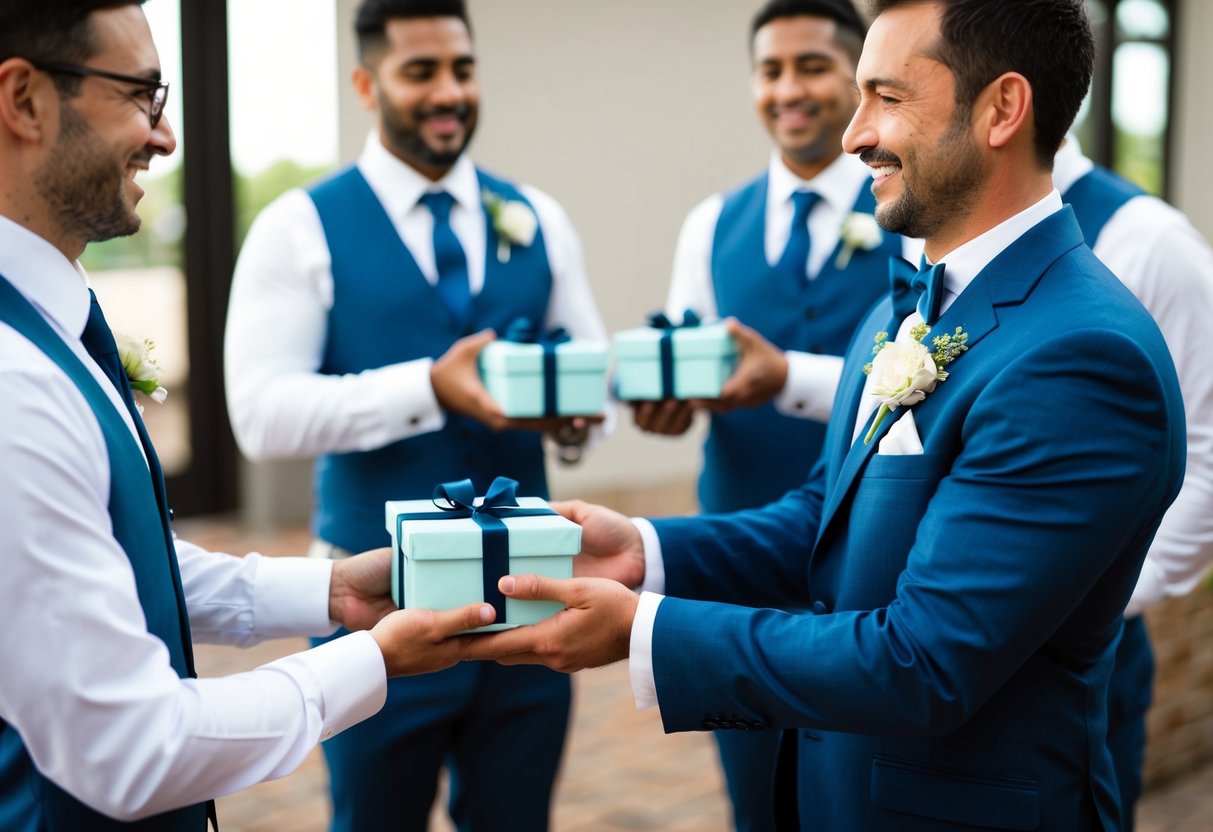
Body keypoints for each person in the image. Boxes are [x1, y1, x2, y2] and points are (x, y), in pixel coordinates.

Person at [464, 1, 1188, 829]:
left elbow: (924, 662)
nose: (852, 136)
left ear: (1002, 108)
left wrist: (646, 632)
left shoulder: (1080, 358)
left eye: (886, 97)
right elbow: (825, 520)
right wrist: (645, 551)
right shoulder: (906, 309)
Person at [0, 2, 498, 829]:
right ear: (23, 102)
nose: (164, 137)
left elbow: (101, 559)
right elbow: (134, 750)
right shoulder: (15, 386)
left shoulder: (50, 320)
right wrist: (370, 661)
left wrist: (333, 593)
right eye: (141, 96)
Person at [223, 1, 609, 830]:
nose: (449, 92)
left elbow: (593, 385)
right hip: (377, 604)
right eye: (421, 71)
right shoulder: (300, 227)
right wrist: (427, 388)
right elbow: (260, 416)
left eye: (462, 70)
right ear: (366, 84)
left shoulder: (537, 216)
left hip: (527, 599)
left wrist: (574, 419)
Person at [644, 2, 910, 827]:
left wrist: (784, 377)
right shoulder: (708, 225)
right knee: (757, 803)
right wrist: (664, 403)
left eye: (810, 67)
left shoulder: (909, 209)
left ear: (856, 83)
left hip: (871, 575)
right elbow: (692, 381)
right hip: (737, 566)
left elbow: (936, 380)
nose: (787, 89)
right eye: (770, 70)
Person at [1053, 135, 1213, 826]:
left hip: (1085, 661)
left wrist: (1110, 596)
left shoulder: (1151, 242)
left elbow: (1208, 455)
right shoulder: (932, 237)